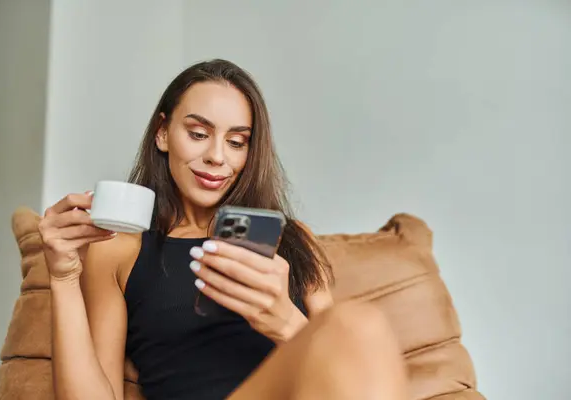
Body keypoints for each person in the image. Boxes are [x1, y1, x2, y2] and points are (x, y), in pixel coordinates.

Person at [38, 59, 408, 400]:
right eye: (198, 134)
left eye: (236, 142)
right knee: (357, 324)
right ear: (163, 133)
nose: (218, 157)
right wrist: (63, 278)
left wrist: (284, 323)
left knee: (358, 324)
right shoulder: (121, 249)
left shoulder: (295, 240)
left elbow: (346, 363)